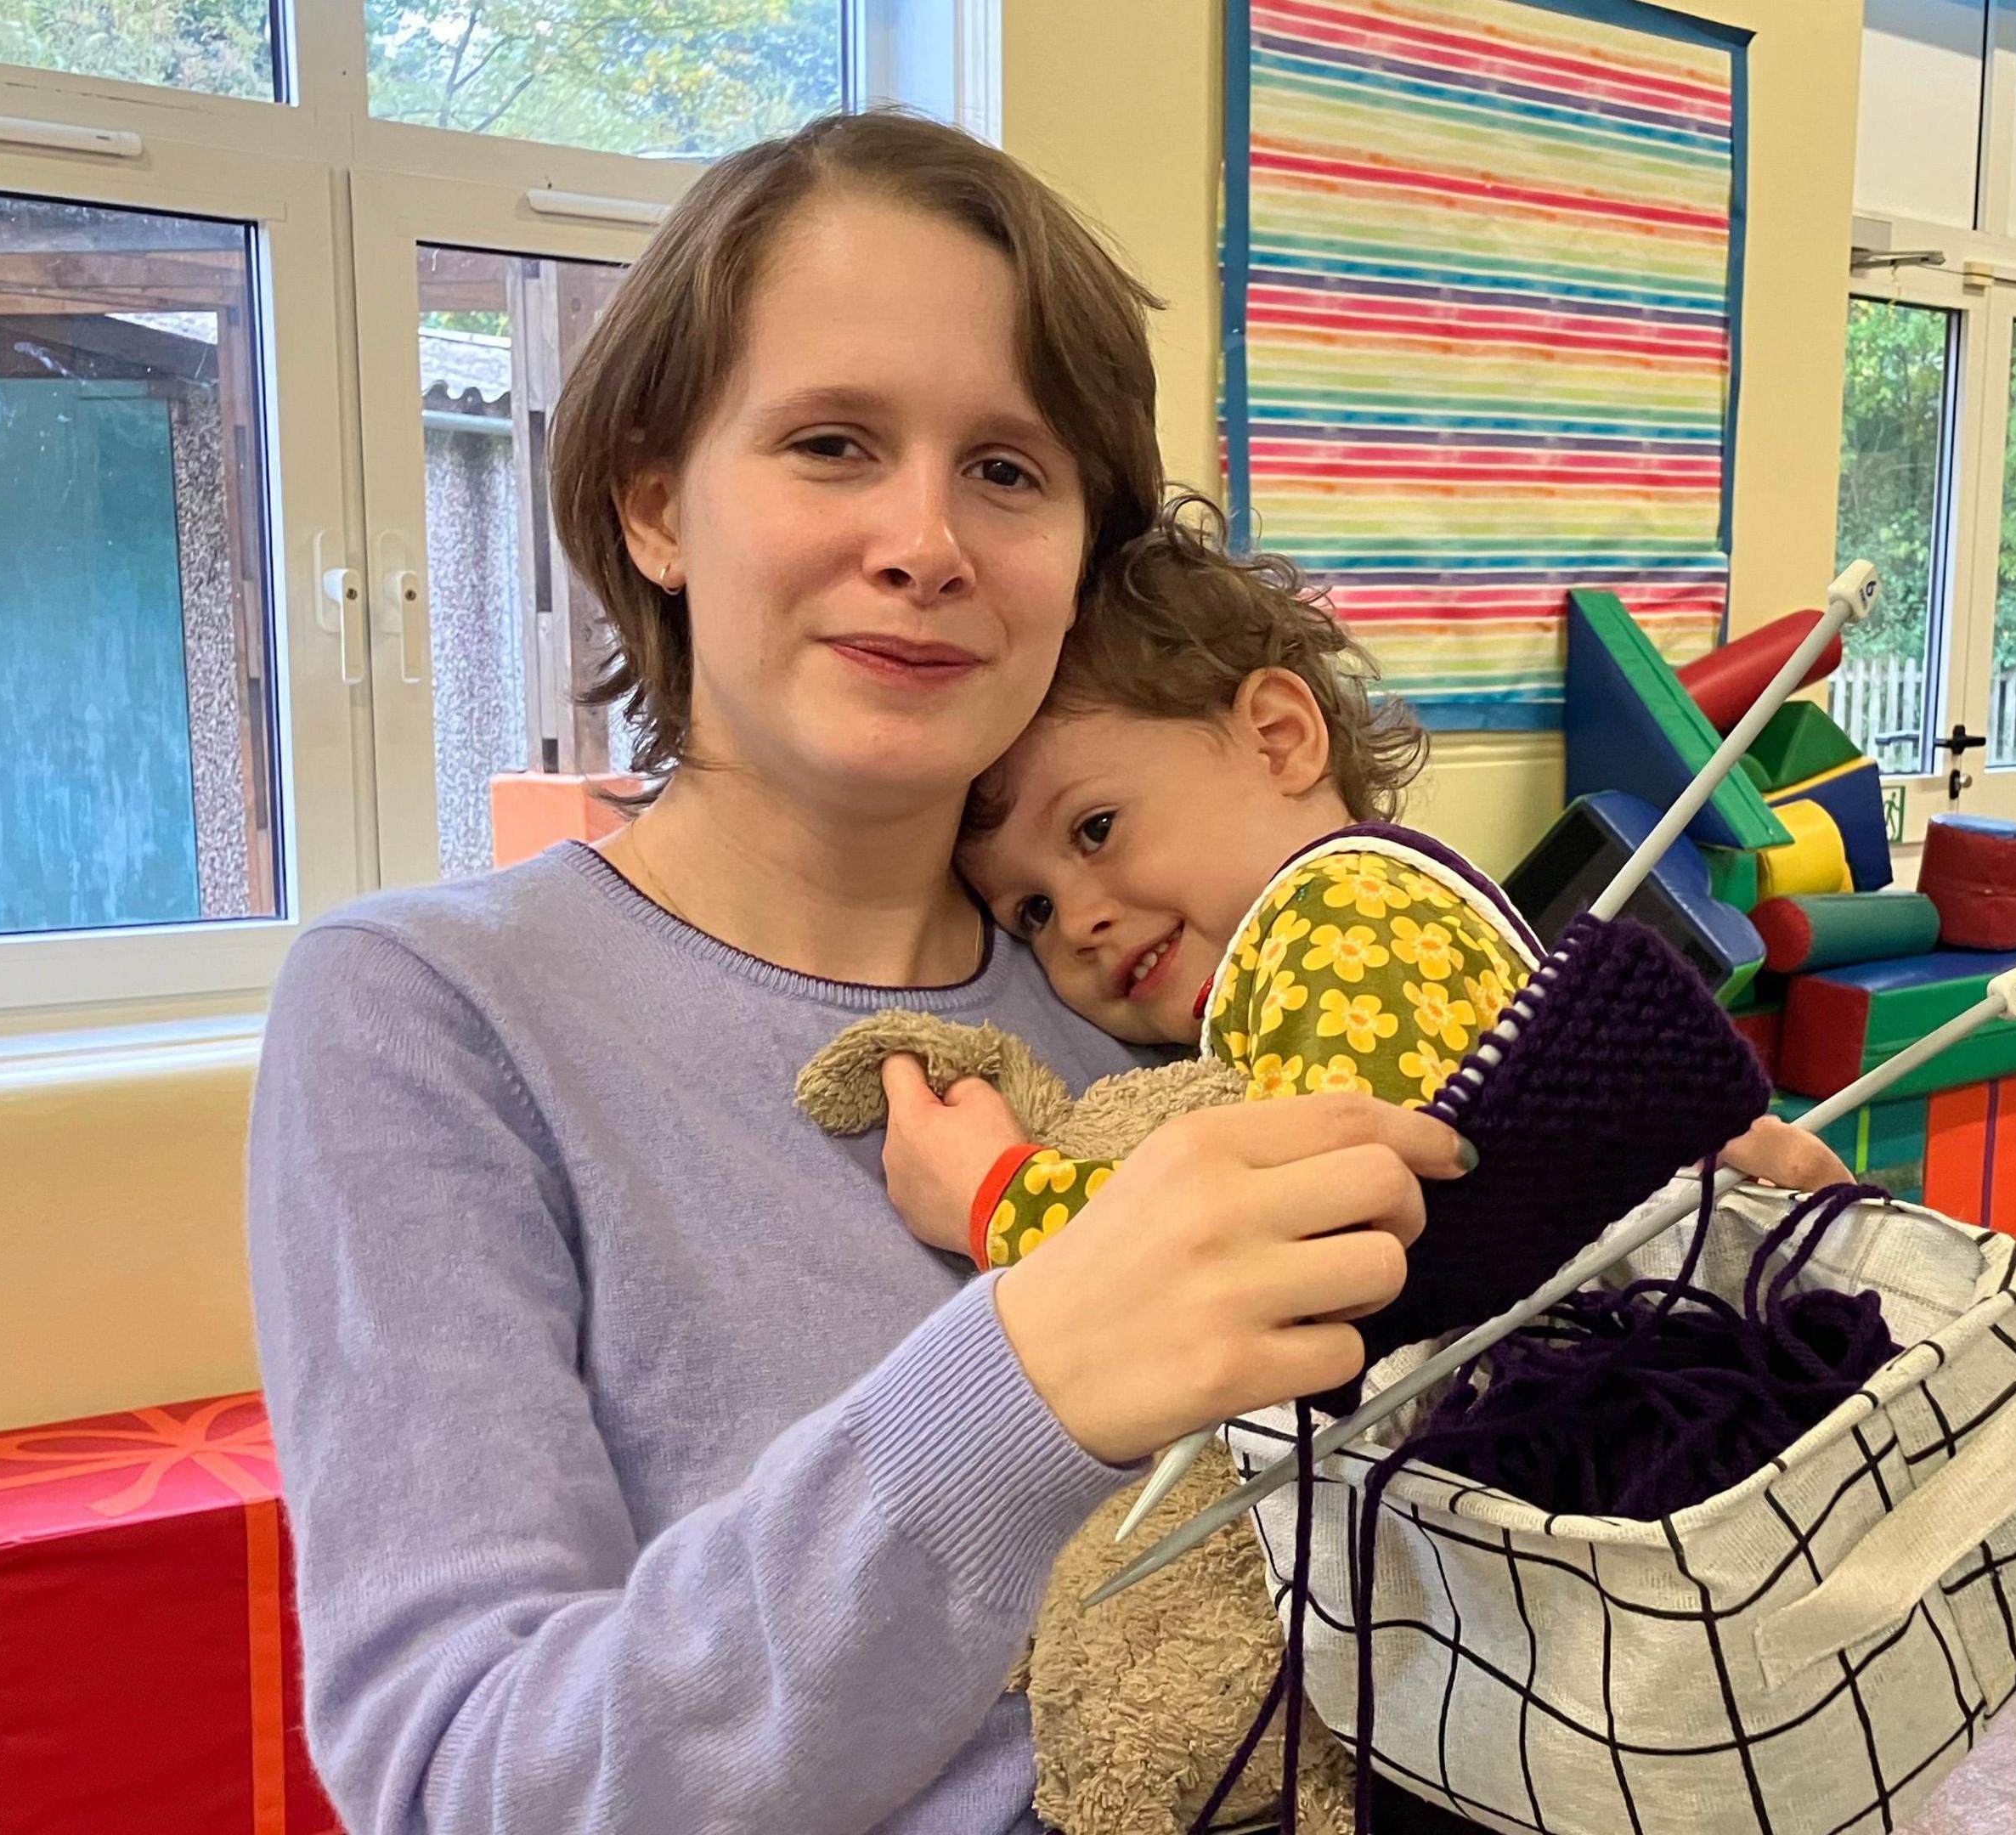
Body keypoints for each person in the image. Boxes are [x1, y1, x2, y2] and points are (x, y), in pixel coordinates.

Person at [246, 112, 1465, 1835]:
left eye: (1010, 470)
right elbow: (466, 1783)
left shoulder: (1155, 1025)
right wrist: (1020, 1387)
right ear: (655, 502)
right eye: (830, 443)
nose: (928, 541)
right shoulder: (432, 1018)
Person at [899, 499, 1843, 1266]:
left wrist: (1003, 1200)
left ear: (1278, 737)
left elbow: (1292, 1249)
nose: (1079, 925)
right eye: (1033, 910)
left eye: (1096, 829)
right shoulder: (1371, 907)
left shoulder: (1340, 917)